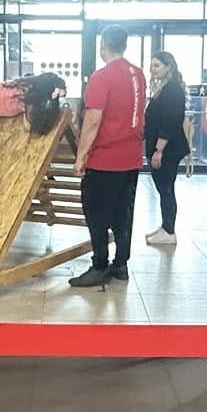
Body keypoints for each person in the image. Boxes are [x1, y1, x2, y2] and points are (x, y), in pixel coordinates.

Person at [69, 24, 146, 289]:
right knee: (124, 213)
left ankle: (100, 265)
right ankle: (120, 265)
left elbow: (93, 119)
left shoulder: (101, 77)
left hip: (105, 159)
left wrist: (80, 156)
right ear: (124, 44)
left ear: (103, 45)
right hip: (131, 157)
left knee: (97, 215)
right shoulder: (138, 75)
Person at [143, 49, 188, 245]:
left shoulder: (172, 90)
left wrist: (158, 150)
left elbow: (169, 122)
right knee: (164, 188)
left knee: (166, 188)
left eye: (157, 65)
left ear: (168, 67)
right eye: (151, 66)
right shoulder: (164, 88)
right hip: (161, 147)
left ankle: (169, 231)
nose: (152, 69)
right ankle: (166, 227)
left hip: (167, 150)